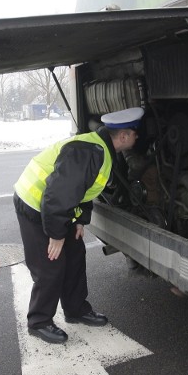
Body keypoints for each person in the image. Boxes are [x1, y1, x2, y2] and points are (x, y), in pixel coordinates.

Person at [13, 106, 144, 344]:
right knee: (51, 264)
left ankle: (76, 309)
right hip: (34, 204)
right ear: (123, 136)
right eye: (135, 132)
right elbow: (57, 195)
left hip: (54, 206)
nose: (138, 137)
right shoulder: (90, 152)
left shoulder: (102, 149)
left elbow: (82, 190)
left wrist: (80, 220)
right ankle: (39, 321)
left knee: (74, 255)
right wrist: (55, 235)